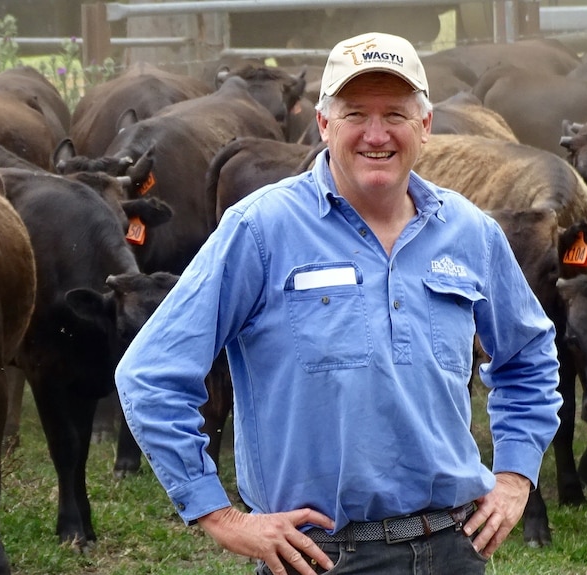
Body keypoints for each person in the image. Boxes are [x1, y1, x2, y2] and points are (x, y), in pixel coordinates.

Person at [115, 31, 562, 575]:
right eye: (355, 113)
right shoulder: (261, 229)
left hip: (453, 548)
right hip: (321, 556)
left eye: (395, 114)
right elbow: (149, 373)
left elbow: (530, 355)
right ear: (324, 124)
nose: (376, 134)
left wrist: (516, 475)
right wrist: (217, 513)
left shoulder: (469, 231)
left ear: (425, 127)